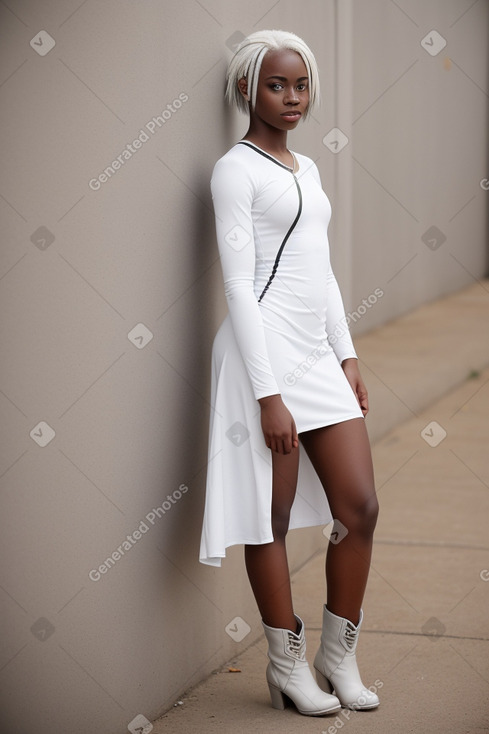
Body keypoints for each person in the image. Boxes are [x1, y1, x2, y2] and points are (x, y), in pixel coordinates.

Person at [199, 29, 380, 716]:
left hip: (315, 355)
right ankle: (286, 665)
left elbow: (320, 269)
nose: (293, 97)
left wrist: (347, 354)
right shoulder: (233, 170)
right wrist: (267, 393)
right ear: (248, 89)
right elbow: (239, 288)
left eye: (300, 84)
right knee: (268, 518)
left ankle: (338, 655)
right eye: (277, 85)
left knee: (358, 507)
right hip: (261, 358)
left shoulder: (306, 168)